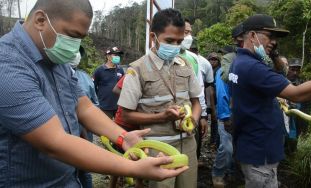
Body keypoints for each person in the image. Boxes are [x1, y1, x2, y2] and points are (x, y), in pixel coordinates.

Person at [0, 0, 188, 187]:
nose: (75, 46)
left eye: (81, 37)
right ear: (40, 20)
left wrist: (123, 137)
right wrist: (133, 168)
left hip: (72, 178)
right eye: (73, 35)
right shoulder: (8, 66)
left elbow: (84, 106)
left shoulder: (55, 59)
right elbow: (54, 142)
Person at [228, 14, 311, 187]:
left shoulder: (240, 62)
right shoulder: (253, 67)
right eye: (270, 36)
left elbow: (279, 76)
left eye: (276, 38)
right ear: (252, 35)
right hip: (260, 152)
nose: (274, 42)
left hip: (252, 145)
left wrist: (273, 54)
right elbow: (297, 94)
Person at [118, 9, 202, 188]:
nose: (175, 46)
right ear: (152, 37)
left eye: (179, 42)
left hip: (187, 143)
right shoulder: (137, 69)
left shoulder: (185, 64)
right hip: (157, 149)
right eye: (169, 41)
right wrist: (161, 117)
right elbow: (126, 115)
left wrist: (193, 120)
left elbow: (196, 101)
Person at [179, 19, 209, 160]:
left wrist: (202, 116)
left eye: (190, 32)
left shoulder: (194, 59)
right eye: (186, 32)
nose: (189, 36)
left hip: (191, 116)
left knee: (191, 155)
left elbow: (199, 90)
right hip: (166, 121)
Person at [69, 46, 98, 188]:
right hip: (64, 135)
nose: (75, 55)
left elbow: (94, 104)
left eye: (77, 53)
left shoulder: (85, 77)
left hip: (86, 131)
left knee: (85, 169)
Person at [93, 47, 125, 119]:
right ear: (108, 56)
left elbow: (123, 86)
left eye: (118, 55)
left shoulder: (120, 69)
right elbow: (93, 87)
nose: (117, 57)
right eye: (115, 55)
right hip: (104, 106)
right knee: (104, 128)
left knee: (118, 128)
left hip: (118, 106)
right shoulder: (99, 70)